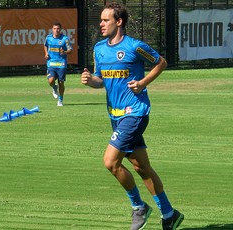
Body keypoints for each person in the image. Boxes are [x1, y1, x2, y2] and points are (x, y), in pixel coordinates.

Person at [81, 2, 184, 230]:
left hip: (135, 113)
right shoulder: (99, 48)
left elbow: (161, 62)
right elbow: (102, 80)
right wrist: (91, 82)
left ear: (119, 22)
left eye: (105, 20)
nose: (101, 23)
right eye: (101, 19)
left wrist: (143, 82)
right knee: (141, 167)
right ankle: (169, 213)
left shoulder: (134, 46)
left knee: (110, 162)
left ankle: (138, 206)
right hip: (116, 116)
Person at [44, 22, 73, 106]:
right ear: (52, 29)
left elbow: (70, 50)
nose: (56, 30)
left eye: (58, 29)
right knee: (50, 81)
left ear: (60, 30)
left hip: (61, 64)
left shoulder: (65, 39)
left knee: (61, 82)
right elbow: (45, 45)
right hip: (51, 63)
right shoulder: (48, 38)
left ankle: (60, 99)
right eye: (54, 29)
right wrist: (46, 53)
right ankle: (54, 87)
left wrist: (65, 52)